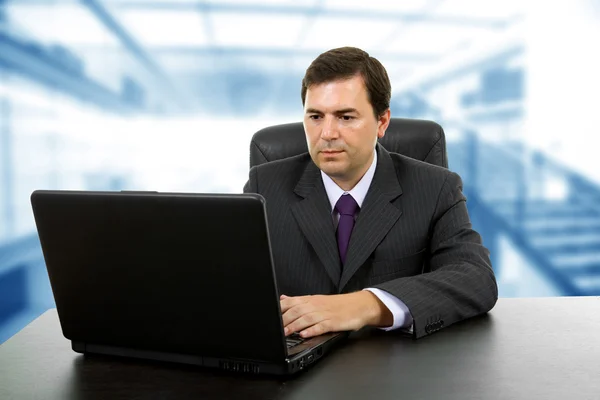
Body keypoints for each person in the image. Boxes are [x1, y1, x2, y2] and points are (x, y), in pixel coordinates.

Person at [243, 47, 497, 339]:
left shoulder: (436, 187)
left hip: (397, 369)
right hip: (295, 366)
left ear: (382, 122)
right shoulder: (265, 186)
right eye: (315, 116)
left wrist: (365, 304)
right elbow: (229, 281)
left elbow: (476, 279)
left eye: (346, 117)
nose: (327, 133)